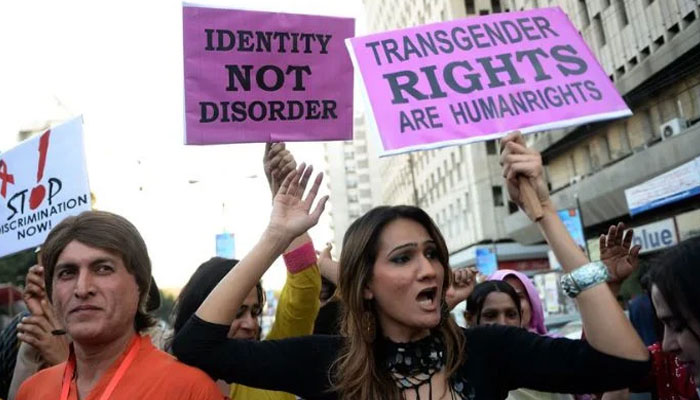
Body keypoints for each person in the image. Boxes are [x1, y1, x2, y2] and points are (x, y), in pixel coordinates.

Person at [173, 132, 650, 400]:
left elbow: (622, 365)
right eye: (403, 258)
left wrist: (545, 214)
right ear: (364, 287)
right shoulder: (327, 364)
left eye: (431, 253)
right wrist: (276, 236)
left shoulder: (488, 351)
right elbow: (198, 344)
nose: (429, 270)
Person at [16, 210, 223, 400]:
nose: (82, 288)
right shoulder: (32, 391)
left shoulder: (189, 391)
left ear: (140, 285)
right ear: (52, 291)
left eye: (103, 269)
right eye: (67, 273)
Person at [171, 142, 322, 400]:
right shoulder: (164, 382)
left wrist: (285, 209)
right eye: (237, 312)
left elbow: (305, 289)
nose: (250, 325)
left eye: (254, 312)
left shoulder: (271, 369)